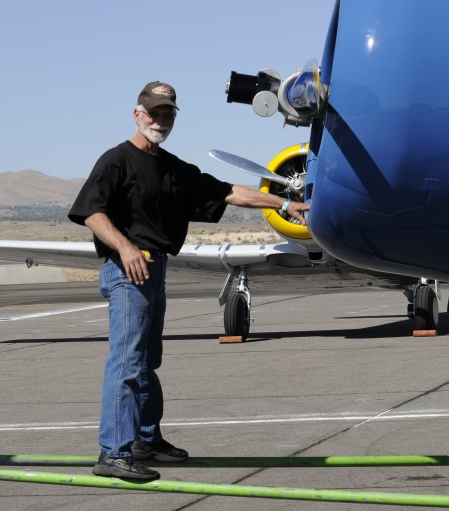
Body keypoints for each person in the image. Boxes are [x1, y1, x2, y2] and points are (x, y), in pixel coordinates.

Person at [68, 81, 310, 480]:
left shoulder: (172, 167)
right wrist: (125, 248)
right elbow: (91, 213)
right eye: (153, 113)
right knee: (127, 361)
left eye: (167, 115)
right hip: (127, 269)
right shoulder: (116, 161)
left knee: (147, 361)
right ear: (137, 114)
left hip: (155, 268)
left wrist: (284, 202)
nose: (159, 120)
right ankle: (112, 452)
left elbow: (230, 192)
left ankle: (146, 440)